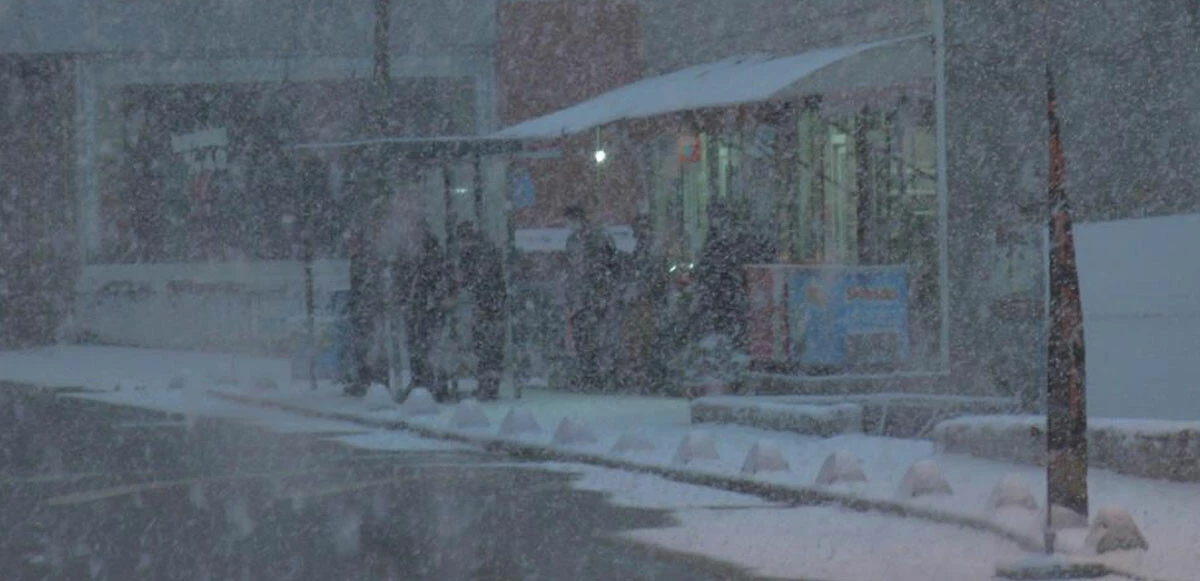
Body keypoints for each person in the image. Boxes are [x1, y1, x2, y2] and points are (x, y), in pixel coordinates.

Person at [562, 205, 618, 392]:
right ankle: (587, 374)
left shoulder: (598, 238)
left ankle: (596, 375)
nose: (569, 224)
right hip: (581, 298)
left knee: (596, 337)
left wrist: (603, 291)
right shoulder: (572, 240)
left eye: (571, 220)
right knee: (582, 337)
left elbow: (610, 265)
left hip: (596, 296)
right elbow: (571, 268)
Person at [397, 224, 452, 401]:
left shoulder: (430, 255)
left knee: (429, 348)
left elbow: (434, 281)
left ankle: (432, 384)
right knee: (421, 348)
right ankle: (424, 383)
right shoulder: (415, 254)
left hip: (426, 308)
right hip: (419, 308)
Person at [455, 221, 507, 401]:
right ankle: (489, 383)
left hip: (488, 305)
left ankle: (488, 384)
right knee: (489, 347)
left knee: (486, 346)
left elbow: (478, 280)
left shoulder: (477, 254)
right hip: (491, 304)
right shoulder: (484, 251)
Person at [618, 214, 669, 392]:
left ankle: (646, 377)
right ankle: (647, 377)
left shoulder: (647, 250)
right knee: (643, 341)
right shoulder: (644, 249)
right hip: (645, 302)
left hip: (647, 302)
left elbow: (656, 277)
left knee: (644, 341)